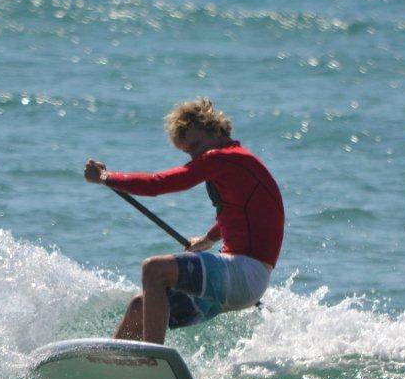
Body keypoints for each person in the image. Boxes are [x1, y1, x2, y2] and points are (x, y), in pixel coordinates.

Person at [84, 98, 285, 345]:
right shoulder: (237, 165)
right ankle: (114, 365)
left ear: (215, 130)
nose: (195, 155)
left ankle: (153, 359)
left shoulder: (224, 158)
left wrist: (106, 177)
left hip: (243, 273)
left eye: (197, 144)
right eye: (188, 151)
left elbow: (159, 184)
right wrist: (208, 239)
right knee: (141, 308)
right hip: (241, 281)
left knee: (154, 269)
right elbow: (240, 214)